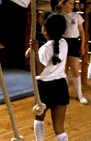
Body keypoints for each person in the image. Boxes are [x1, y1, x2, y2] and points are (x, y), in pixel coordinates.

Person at [26, 12, 70, 141]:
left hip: (44, 87)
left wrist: (35, 52)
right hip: (61, 86)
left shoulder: (45, 49)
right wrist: (34, 51)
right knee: (59, 128)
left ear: (45, 30)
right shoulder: (64, 43)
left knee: (39, 118)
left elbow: (38, 71)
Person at [58, 0, 88, 104]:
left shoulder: (76, 16)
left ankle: (79, 94)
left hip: (74, 42)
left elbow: (82, 32)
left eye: (73, 3)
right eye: (70, 3)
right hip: (62, 42)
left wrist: (82, 45)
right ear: (62, 4)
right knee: (63, 70)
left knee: (75, 70)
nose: (72, 5)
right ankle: (64, 94)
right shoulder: (59, 16)